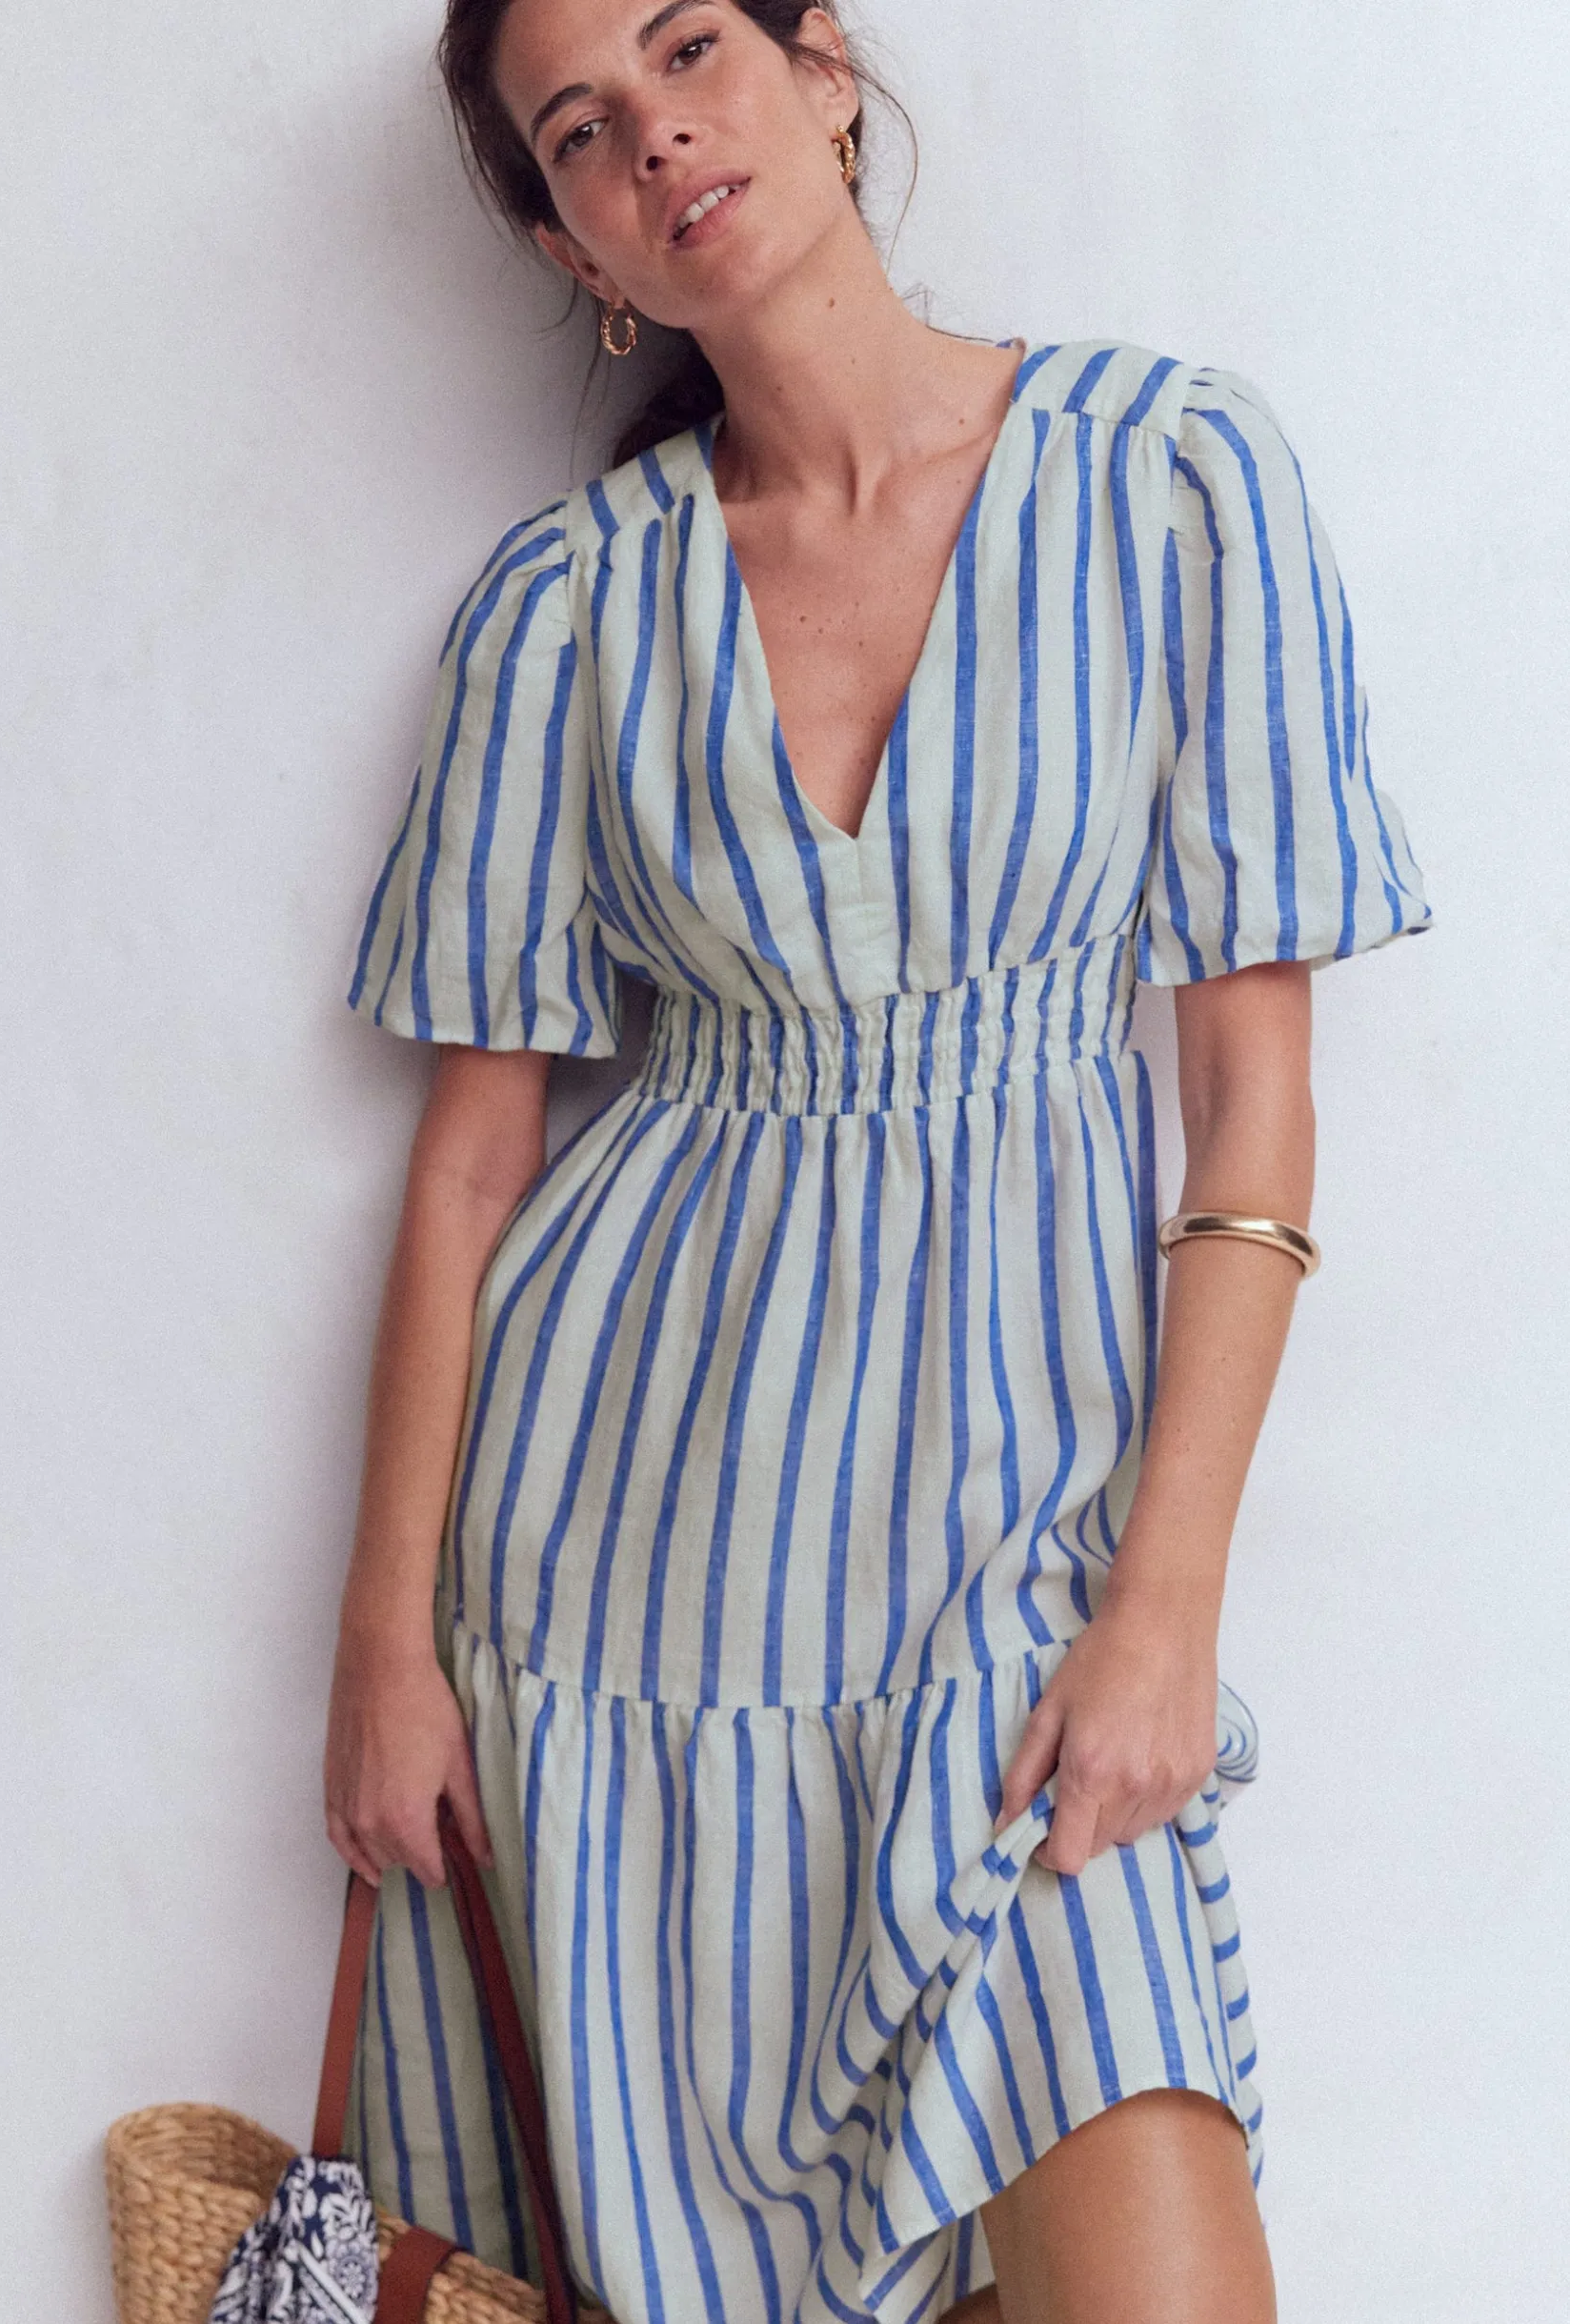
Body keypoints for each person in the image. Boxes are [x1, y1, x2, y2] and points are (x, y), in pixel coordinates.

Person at [323, 4, 1434, 2318]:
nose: (658, 136)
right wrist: (385, 1649)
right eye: (582, 132)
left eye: (688, 49)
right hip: (633, 1611)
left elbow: (1253, 1098)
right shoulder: (562, 612)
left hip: (1017, 1592)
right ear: (574, 246)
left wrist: (1163, 1609)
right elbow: (471, 1165)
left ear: (823, 67)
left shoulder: (1168, 474)